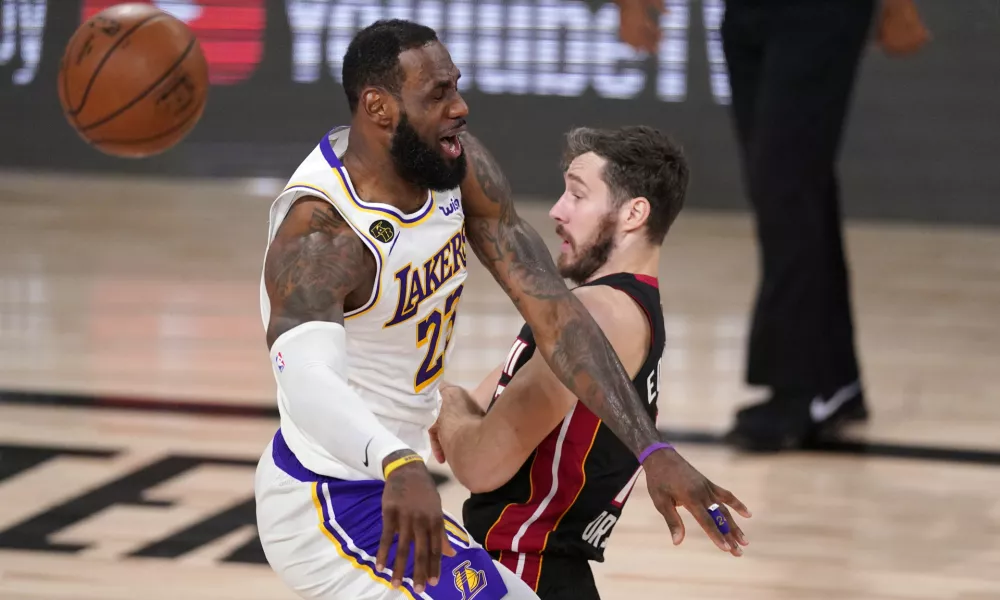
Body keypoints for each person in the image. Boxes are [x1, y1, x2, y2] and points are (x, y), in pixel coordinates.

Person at [254, 19, 748, 600]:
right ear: (379, 107)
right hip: (327, 498)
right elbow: (306, 379)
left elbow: (556, 316)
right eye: (437, 95)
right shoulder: (322, 233)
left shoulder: (453, 166)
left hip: (390, 478)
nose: (459, 107)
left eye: (455, 86)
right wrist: (396, 460)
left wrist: (653, 449)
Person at [430, 126, 750, 600]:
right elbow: (482, 400)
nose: (558, 210)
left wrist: (448, 402)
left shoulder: (600, 315)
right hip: (543, 571)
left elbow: (478, 463)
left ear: (633, 213)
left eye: (577, 195)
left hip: (525, 569)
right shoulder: (617, 310)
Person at [612, 0, 930, 451]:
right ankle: (836, 382)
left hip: (821, 15)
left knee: (787, 186)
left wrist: (899, 6)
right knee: (796, 190)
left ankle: (799, 388)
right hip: (747, 13)